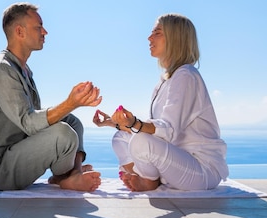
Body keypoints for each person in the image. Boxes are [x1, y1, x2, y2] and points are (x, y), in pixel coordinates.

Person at [0, 2, 102, 192]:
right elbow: (29, 123)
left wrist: (71, 107)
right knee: (63, 133)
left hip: (15, 153)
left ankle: (71, 174)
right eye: (38, 27)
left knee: (73, 122)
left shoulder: (23, 70)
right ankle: (66, 177)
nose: (45, 32)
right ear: (20, 32)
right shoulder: (1, 69)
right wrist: (71, 102)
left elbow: (31, 123)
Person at [93, 13, 228, 191]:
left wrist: (134, 123)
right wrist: (112, 123)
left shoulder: (186, 75)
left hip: (200, 169)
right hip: (177, 163)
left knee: (140, 141)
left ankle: (148, 179)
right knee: (121, 138)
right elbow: (158, 133)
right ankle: (149, 177)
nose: (149, 38)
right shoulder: (165, 81)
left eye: (157, 33)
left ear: (175, 38)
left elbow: (168, 130)